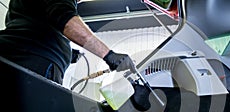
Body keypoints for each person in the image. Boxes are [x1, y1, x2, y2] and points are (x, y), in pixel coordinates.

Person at [0, 0, 136, 84]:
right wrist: (108, 55)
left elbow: (35, 22)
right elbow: (64, 19)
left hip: (23, 57)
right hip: (31, 62)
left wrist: (67, 54)